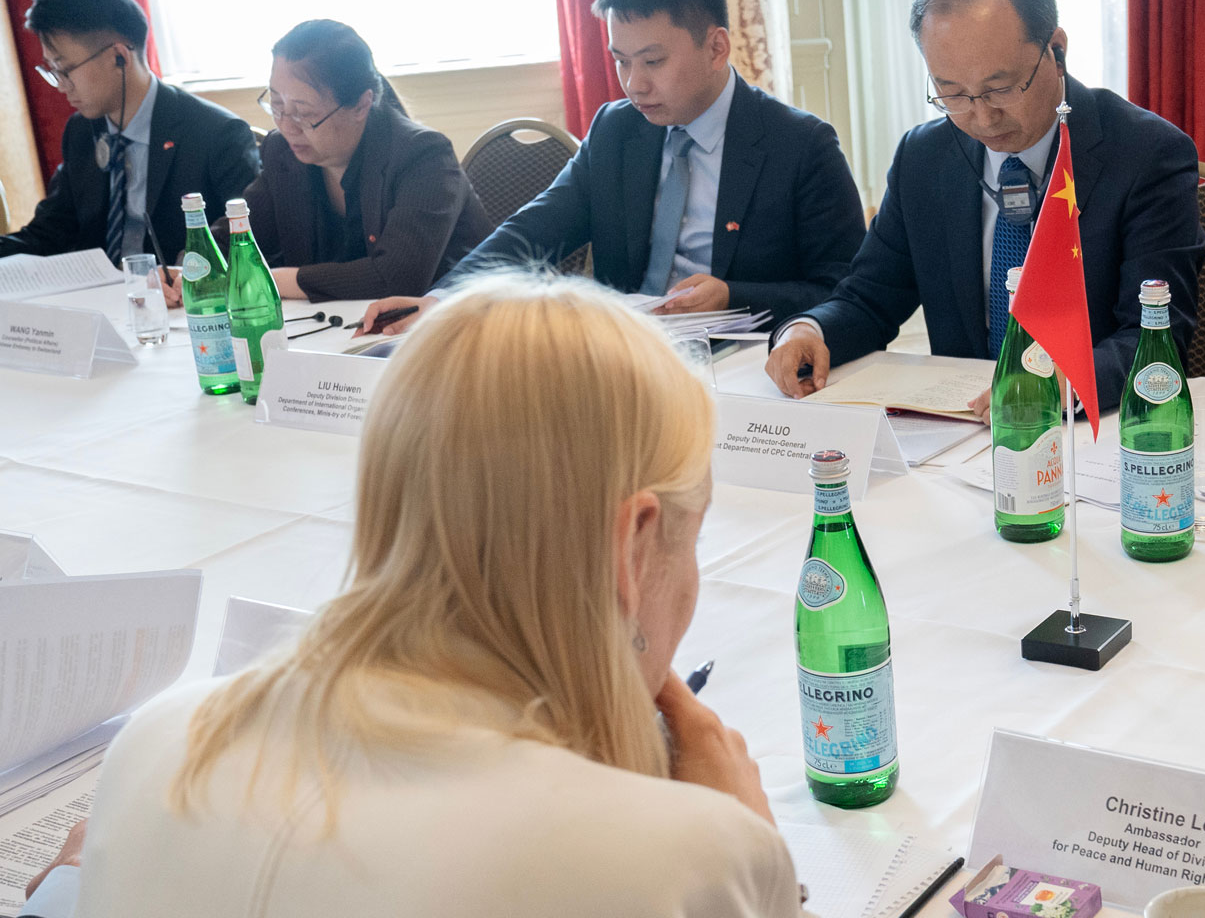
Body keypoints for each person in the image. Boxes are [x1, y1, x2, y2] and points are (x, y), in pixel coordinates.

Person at [20, 275, 797, 918]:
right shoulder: (678, 859)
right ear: (633, 546)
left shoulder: (158, 745)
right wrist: (759, 861)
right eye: (690, 540)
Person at [763, 0, 1205, 413]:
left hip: (1088, 433)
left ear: (1056, 51)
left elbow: (1154, 336)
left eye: (1002, 87)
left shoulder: (1145, 154)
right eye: (952, 93)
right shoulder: (924, 158)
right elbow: (870, 297)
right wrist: (808, 331)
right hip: (960, 429)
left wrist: (1048, 388)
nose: (982, 116)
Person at [355, 0, 864, 334]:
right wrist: (447, 298)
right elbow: (534, 230)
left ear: (716, 47)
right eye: (621, 60)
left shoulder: (801, 146)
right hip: (622, 355)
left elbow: (843, 292)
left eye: (653, 61)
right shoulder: (618, 129)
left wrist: (733, 295)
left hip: (747, 363)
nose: (633, 84)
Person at [164, 20, 488, 304]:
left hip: (446, 332)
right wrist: (190, 268)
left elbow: (395, 278)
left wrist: (275, 280)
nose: (287, 125)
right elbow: (234, 236)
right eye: (276, 104)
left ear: (362, 105)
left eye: (304, 113)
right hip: (336, 331)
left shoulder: (423, 156)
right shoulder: (283, 151)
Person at [0, 0, 258, 267]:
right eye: (53, 70)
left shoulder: (217, 133)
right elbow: (49, 233)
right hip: (97, 297)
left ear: (118, 56)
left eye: (66, 69)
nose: (60, 85)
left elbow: (245, 237)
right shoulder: (82, 130)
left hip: (176, 300)